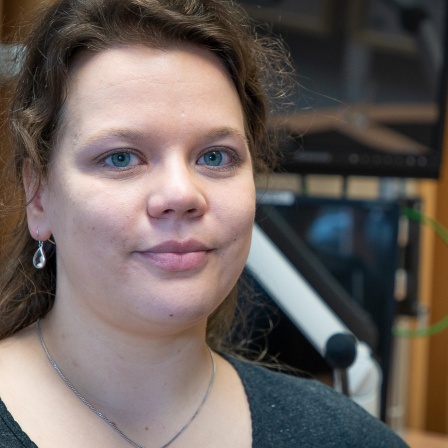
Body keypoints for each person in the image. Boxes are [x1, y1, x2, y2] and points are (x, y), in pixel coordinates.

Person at [0, 0, 408, 447]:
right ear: (38, 195)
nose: (182, 194)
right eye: (121, 158)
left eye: (215, 157)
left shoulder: (343, 437)